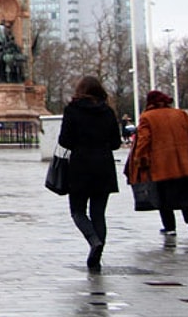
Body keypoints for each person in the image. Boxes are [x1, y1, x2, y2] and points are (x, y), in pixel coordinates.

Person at [58, 76, 122, 271]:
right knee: (98, 213)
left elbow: (64, 141)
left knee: (77, 211)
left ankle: (93, 241)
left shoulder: (73, 110)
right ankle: (97, 255)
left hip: (80, 165)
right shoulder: (107, 111)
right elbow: (116, 143)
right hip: (103, 164)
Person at [126, 89, 188, 237]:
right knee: (186, 193)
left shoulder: (147, 117)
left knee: (163, 197)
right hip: (184, 163)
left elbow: (143, 141)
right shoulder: (180, 114)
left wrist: (140, 159)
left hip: (161, 165)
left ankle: (170, 227)